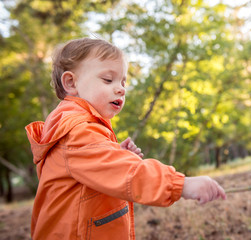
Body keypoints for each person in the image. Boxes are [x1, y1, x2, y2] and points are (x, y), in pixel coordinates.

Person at [25, 37, 226, 240]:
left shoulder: (81, 131)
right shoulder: (77, 132)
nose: (121, 88)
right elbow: (128, 172)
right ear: (71, 83)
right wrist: (181, 185)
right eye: (108, 80)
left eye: (123, 81)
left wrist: (115, 154)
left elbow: (97, 172)